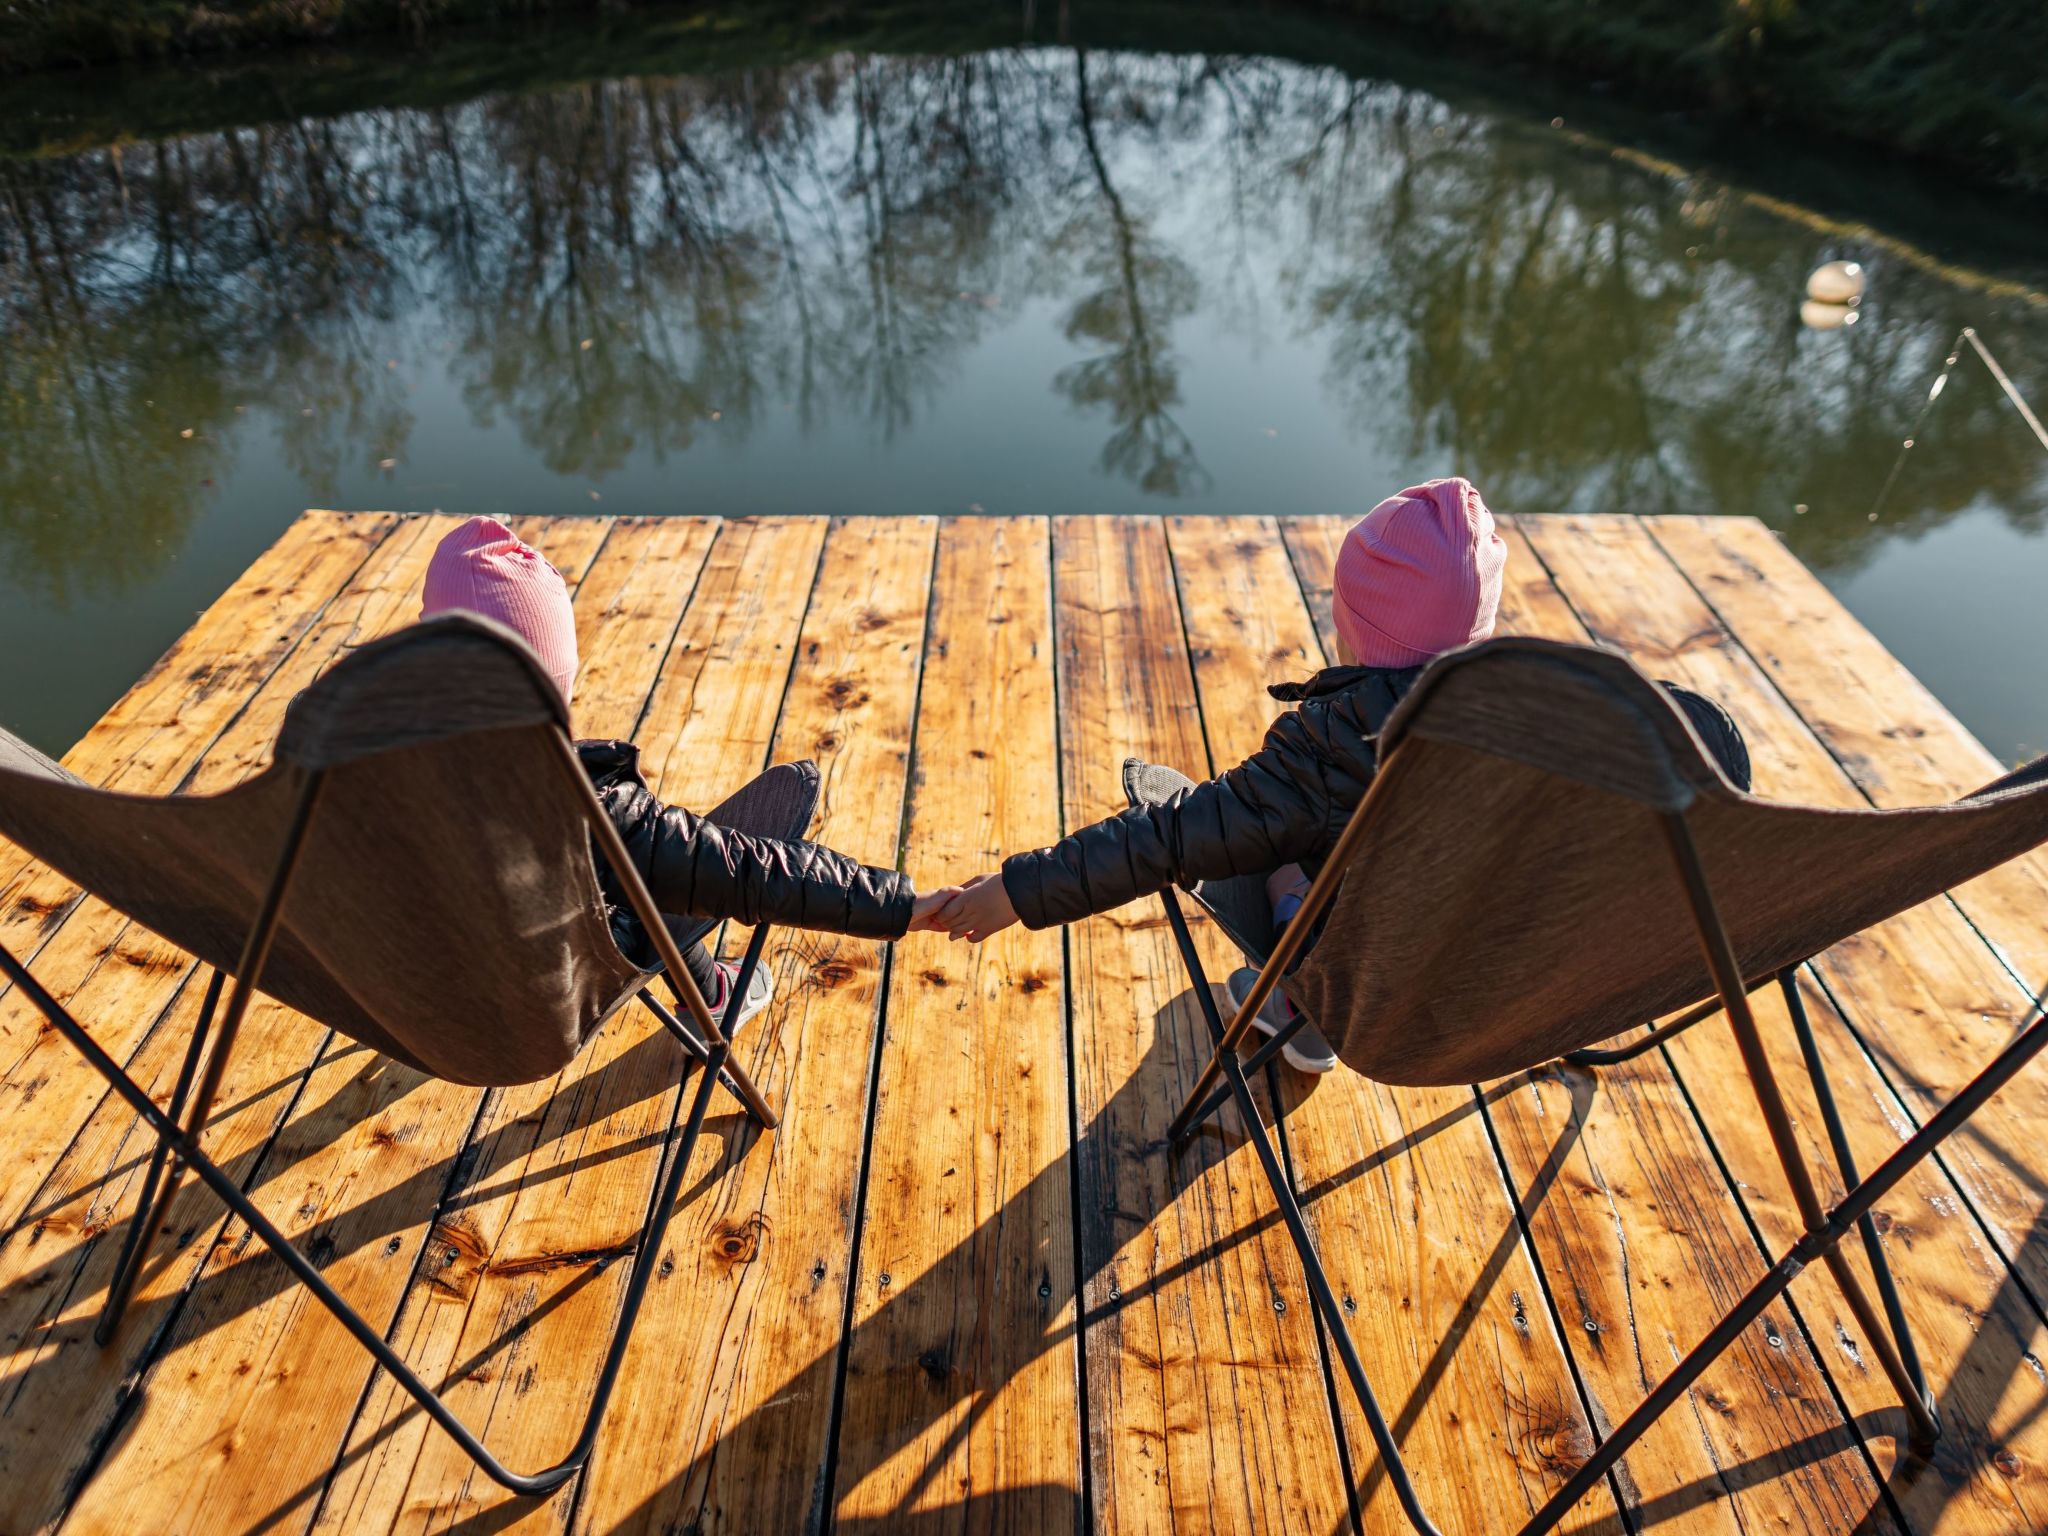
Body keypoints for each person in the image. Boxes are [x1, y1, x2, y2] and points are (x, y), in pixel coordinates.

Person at [916, 479, 1752, 1073]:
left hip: (1379, 993)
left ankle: (1300, 1010)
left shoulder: (1324, 757)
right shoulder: (1562, 724)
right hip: (1506, 982)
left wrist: (1018, 892)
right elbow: (1710, 738)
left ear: (1353, 631)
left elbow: (1164, 840)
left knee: (1275, 849)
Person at [420, 517, 942, 1029]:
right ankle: (712, 993)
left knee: (644, 864)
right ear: (553, 678)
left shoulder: (370, 776)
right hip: (534, 1015)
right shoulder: (586, 807)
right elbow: (750, 872)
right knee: (668, 866)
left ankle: (702, 975)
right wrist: (900, 905)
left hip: (414, 997)